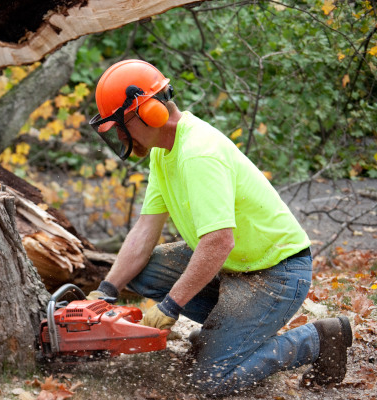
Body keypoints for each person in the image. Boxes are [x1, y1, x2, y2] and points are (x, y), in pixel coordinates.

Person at [84, 59, 352, 395]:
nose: (121, 136)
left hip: (274, 273)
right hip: (233, 266)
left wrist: (171, 305)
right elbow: (143, 231)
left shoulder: (198, 153)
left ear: (149, 113)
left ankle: (318, 339)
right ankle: (228, 333)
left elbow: (218, 242)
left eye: (121, 126)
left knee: (210, 382)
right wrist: (106, 290)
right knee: (143, 272)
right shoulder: (161, 151)